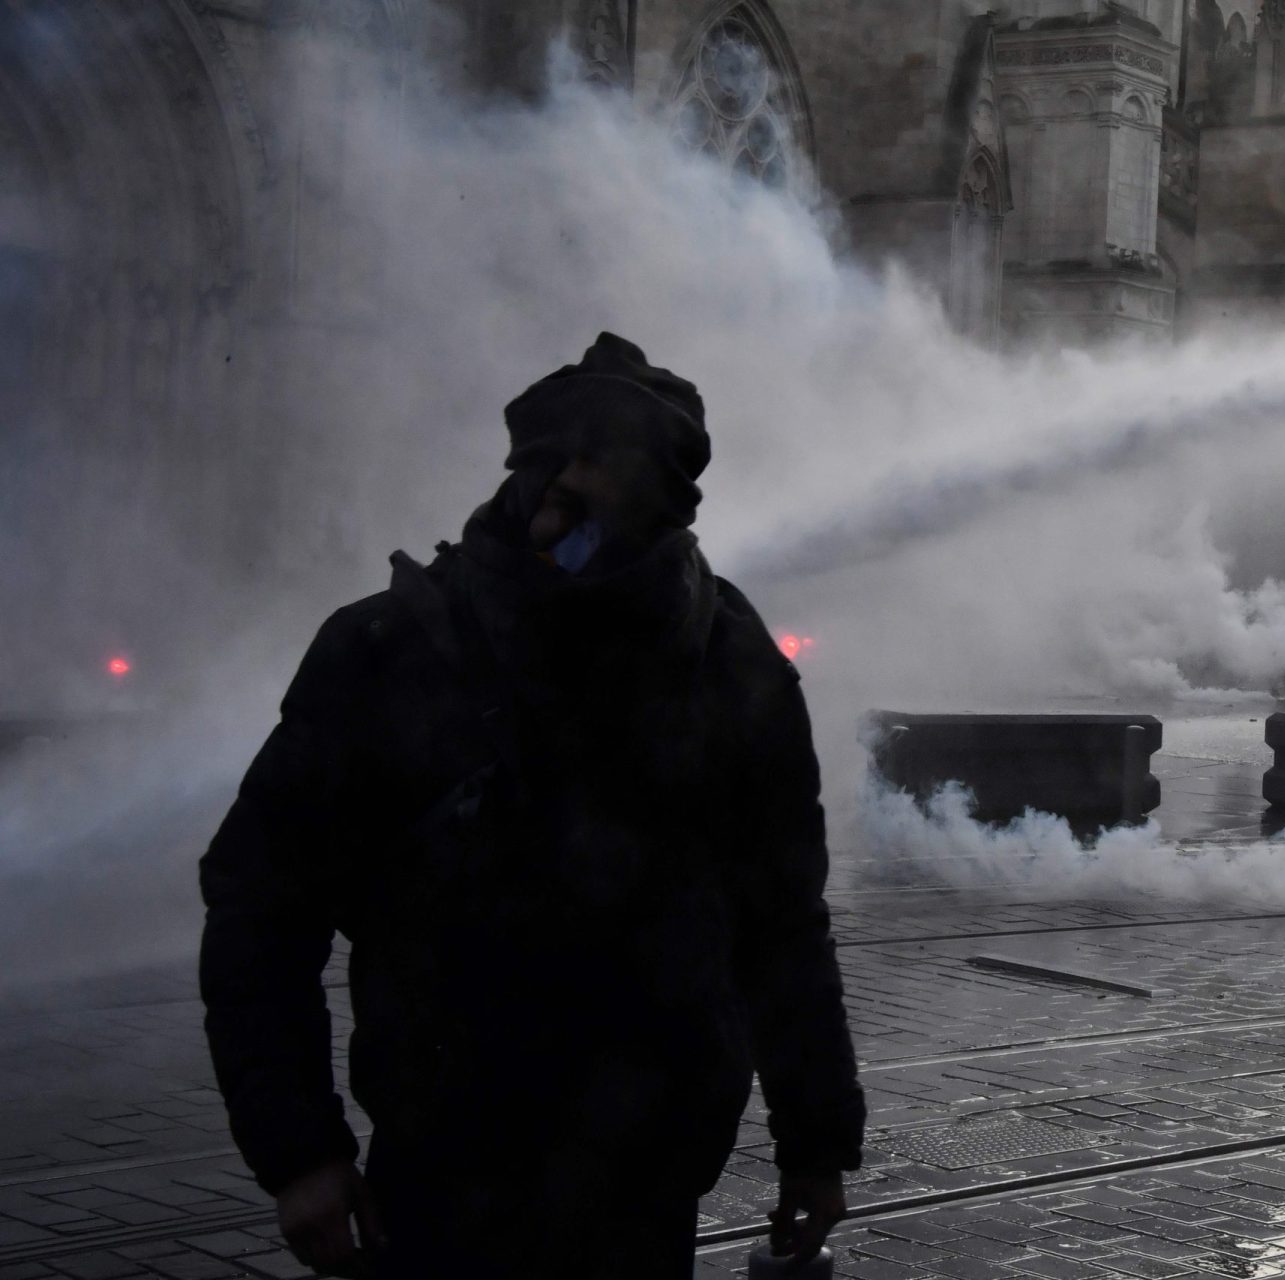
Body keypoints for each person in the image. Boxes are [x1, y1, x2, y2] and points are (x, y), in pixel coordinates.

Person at [200, 333, 866, 1279]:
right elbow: (261, 905)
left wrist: (817, 1141)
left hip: (645, 1182)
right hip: (441, 1174)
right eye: (561, 468)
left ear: (664, 502)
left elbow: (782, 926)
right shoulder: (393, 650)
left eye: (608, 475)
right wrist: (301, 1152)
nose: (570, 506)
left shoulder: (730, 667)